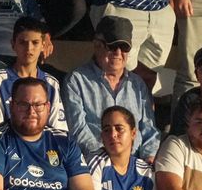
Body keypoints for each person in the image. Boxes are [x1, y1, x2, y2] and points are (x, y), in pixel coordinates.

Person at [64, 16, 160, 162]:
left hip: (137, 162)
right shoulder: (76, 80)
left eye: (124, 47)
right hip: (95, 161)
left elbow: (149, 129)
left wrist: (149, 157)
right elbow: (77, 129)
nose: (118, 53)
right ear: (97, 45)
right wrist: (104, 159)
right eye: (113, 46)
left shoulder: (138, 84)